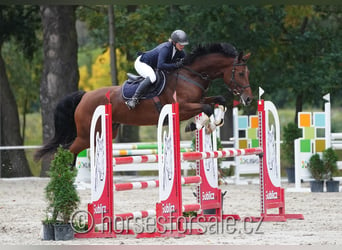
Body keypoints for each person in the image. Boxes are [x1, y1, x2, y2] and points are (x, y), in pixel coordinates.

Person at [125, 29, 189, 109]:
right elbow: (160, 65)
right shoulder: (165, 48)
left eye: (184, 44)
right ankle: (134, 99)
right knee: (152, 77)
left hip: (152, 65)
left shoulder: (179, 51)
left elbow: (187, 61)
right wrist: (176, 65)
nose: (182, 46)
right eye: (180, 44)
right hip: (142, 63)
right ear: (174, 42)